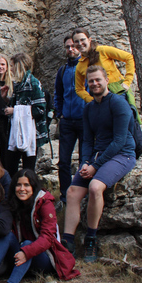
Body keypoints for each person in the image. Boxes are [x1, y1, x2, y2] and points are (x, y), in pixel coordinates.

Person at [63, 66, 137, 261]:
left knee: (96, 187)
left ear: (106, 80)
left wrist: (96, 166)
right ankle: (67, 242)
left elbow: (120, 140)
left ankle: (91, 239)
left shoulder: (118, 104)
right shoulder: (88, 108)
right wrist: (86, 163)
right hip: (98, 155)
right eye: (91, 81)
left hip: (122, 154)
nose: (94, 84)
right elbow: (87, 140)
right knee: (72, 192)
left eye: (98, 80)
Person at [0, 169, 80, 283]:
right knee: (7, 233)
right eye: (19, 185)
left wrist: (27, 251)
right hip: (21, 256)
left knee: (27, 243)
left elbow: (48, 238)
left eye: (27, 185)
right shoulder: (13, 203)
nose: (22, 189)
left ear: (33, 187)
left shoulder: (44, 203)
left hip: (43, 258)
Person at [54, 35, 86, 208]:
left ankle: (81, 192)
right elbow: (58, 93)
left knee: (84, 159)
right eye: (67, 47)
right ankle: (65, 195)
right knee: (64, 161)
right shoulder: (62, 70)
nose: (71, 49)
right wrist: (60, 114)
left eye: (73, 46)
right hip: (67, 121)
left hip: (84, 120)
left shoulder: (87, 66)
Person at [4, 53, 47, 177]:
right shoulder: (18, 84)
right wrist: (6, 100)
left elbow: (40, 109)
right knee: (10, 165)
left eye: (12, 66)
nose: (10, 69)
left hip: (30, 133)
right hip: (16, 132)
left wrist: (15, 111)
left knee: (28, 168)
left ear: (19, 66)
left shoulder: (33, 83)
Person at [72, 27, 136, 104]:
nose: (80, 43)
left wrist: (127, 81)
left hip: (118, 92)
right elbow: (79, 89)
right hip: (100, 99)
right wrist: (91, 100)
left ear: (89, 39)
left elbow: (128, 57)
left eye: (82, 40)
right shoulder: (80, 65)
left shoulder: (102, 51)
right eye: (76, 41)